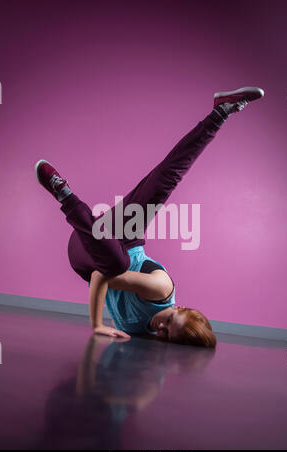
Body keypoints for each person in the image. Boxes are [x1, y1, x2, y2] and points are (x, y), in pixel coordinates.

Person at [34, 86, 264, 347]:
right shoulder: (160, 288)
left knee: (112, 262)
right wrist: (97, 325)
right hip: (122, 236)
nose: (161, 327)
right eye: (170, 321)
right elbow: (103, 278)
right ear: (180, 307)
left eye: (166, 334)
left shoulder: (144, 331)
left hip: (83, 256)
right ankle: (221, 112)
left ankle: (68, 199)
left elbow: (96, 274)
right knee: (165, 181)